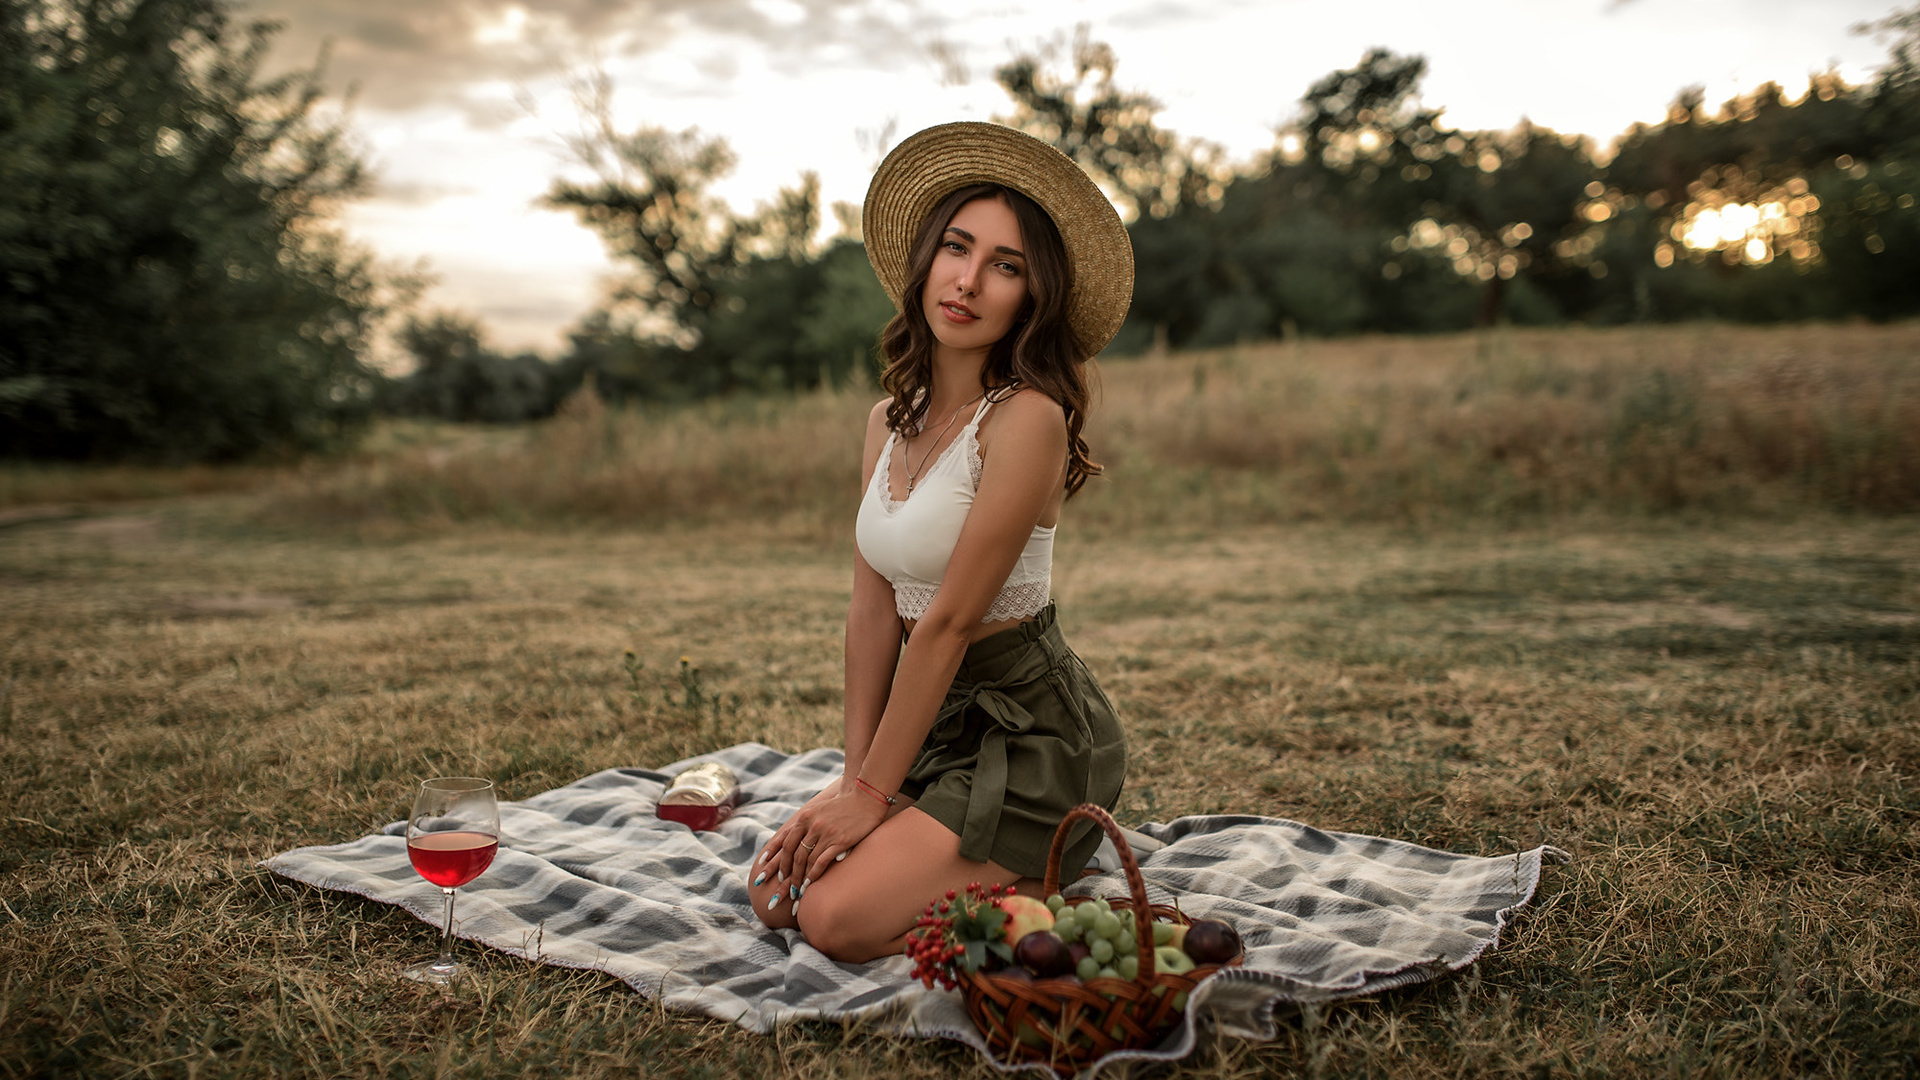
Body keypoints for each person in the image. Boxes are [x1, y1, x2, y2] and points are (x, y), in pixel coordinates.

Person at [747, 122, 1134, 963]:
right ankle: (944, 847)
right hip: (935, 721)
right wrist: (856, 783)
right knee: (776, 896)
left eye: (1006, 265)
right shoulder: (887, 422)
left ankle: (1047, 861)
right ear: (925, 261)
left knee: (832, 922)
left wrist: (874, 796)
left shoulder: (1028, 419)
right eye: (957, 248)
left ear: (1033, 296)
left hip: (1033, 733)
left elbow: (951, 623)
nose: (968, 280)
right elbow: (873, 605)